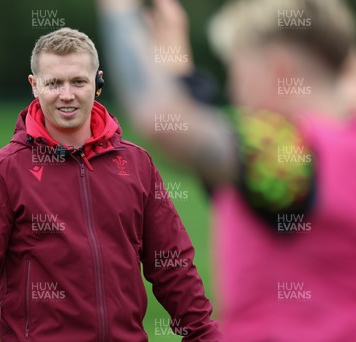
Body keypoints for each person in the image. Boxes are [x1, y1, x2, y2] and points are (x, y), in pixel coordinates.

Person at [97, 0, 356, 340]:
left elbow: (160, 118)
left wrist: (119, 11)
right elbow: (235, 176)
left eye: (237, 72)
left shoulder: (288, 150)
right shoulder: (322, 153)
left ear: (278, 70)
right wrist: (178, 66)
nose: (233, 91)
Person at [0, 27, 220, 341]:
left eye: (78, 81)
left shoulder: (137, 165)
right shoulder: (3, 170)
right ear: (34, 86)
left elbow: (172, 265)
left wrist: (204, 334)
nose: (67, 95)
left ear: (98, 82)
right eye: (54, 83)